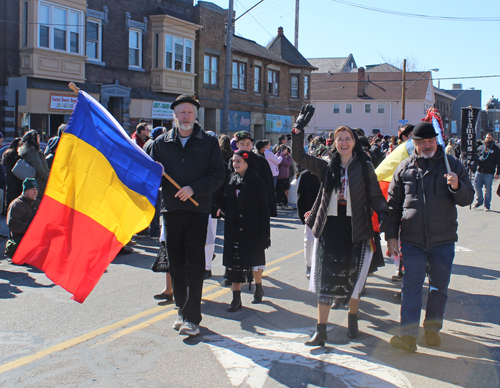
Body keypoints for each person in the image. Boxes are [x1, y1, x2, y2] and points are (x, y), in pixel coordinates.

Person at [291, 105, 389, 346]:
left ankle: (352, 318)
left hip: (356, 229)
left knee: (354, 279)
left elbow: (375, 196)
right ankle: (320, 330)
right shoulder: (325, 166)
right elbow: (299, 157)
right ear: (334, 143)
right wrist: (298, 130)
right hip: (330, 228)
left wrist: (386, 214)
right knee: (325, 279)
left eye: (347, 139)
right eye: (339, 139)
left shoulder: (365, 167)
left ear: (354, 142)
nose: (343, 142)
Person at [386, 121, 474, 352]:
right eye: (422, 141)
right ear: (413, 143)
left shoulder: (452, 164)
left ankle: (432, 330)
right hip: (412, 240)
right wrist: (391, 236)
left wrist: (457, 187)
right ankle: (408, 336)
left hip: (443, 240)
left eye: (431, 140)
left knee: (438, 288)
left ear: (437, 141)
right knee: (411, 287)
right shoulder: (404, 168)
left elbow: (468, 198)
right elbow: (393, 205)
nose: (427, 145)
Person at [150, 94, 225, 337]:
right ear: (174, 115)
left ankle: (192, 317)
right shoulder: (161, 143)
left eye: (190, 112)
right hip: (171, 211)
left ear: (196, 116)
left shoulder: (209, 143)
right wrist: (156, 174)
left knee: (194, 265)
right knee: (176, 264)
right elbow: (152, 176)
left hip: (197, 210)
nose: (186, 117)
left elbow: (217, 175)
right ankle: (181, 311)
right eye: (181, 112)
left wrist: (194, 188)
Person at [221, 149, 270, 312]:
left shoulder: (257, 183)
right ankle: (236, 299)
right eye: (234, 161)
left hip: (252, 230)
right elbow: (226, 202)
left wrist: (264, 235)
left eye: (238, 161)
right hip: (234, 229)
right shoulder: (231, 182)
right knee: (235, 266)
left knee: (255, 263)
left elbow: (264, 211)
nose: (235, 164)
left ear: (247, 164)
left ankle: (258, 287)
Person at [6, 178, 41, 242]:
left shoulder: (38, 203)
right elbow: (14, 224)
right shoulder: (16, 204)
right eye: (32, 189)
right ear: (25, 190)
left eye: (36, 189)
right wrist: (33, 228)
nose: (35, 192)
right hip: (20, 240)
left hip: (36, 238)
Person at [18, 130, 49, 200]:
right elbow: (39, 169)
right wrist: (48, 179)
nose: (39, 139)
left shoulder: (30, 151)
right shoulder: (32, 152)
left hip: (37, 183)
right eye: (38, 137)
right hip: (38, 184)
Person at [473, 133, 500, 211]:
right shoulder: (481, 147)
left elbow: (499, 162)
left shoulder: (496, 149)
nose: (488, 139)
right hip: (479, 171)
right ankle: (479, 201)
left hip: (489, 172)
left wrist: (498, 173)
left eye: (490, 138)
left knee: (488, 189)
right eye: (487, 137)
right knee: (477, 186)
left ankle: (487, 205)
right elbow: (475, 157)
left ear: (493, 139)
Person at [2, 138, 23, 210]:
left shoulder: (7, 153)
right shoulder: (17, 154)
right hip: (16, 179)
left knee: (10, 199)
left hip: (9, 179)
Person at [275, 144, 292, 209]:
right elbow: (287, 163)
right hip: (281, 175)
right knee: (280, 190)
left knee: (286, 189)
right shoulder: (280, 156)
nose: (286, 151)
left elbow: (289, 163)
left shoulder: (286, 156)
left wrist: (288, 156)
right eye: (285, 149)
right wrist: (286, 157)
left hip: (286, 175)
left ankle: (285, 203)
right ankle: (279, 202)